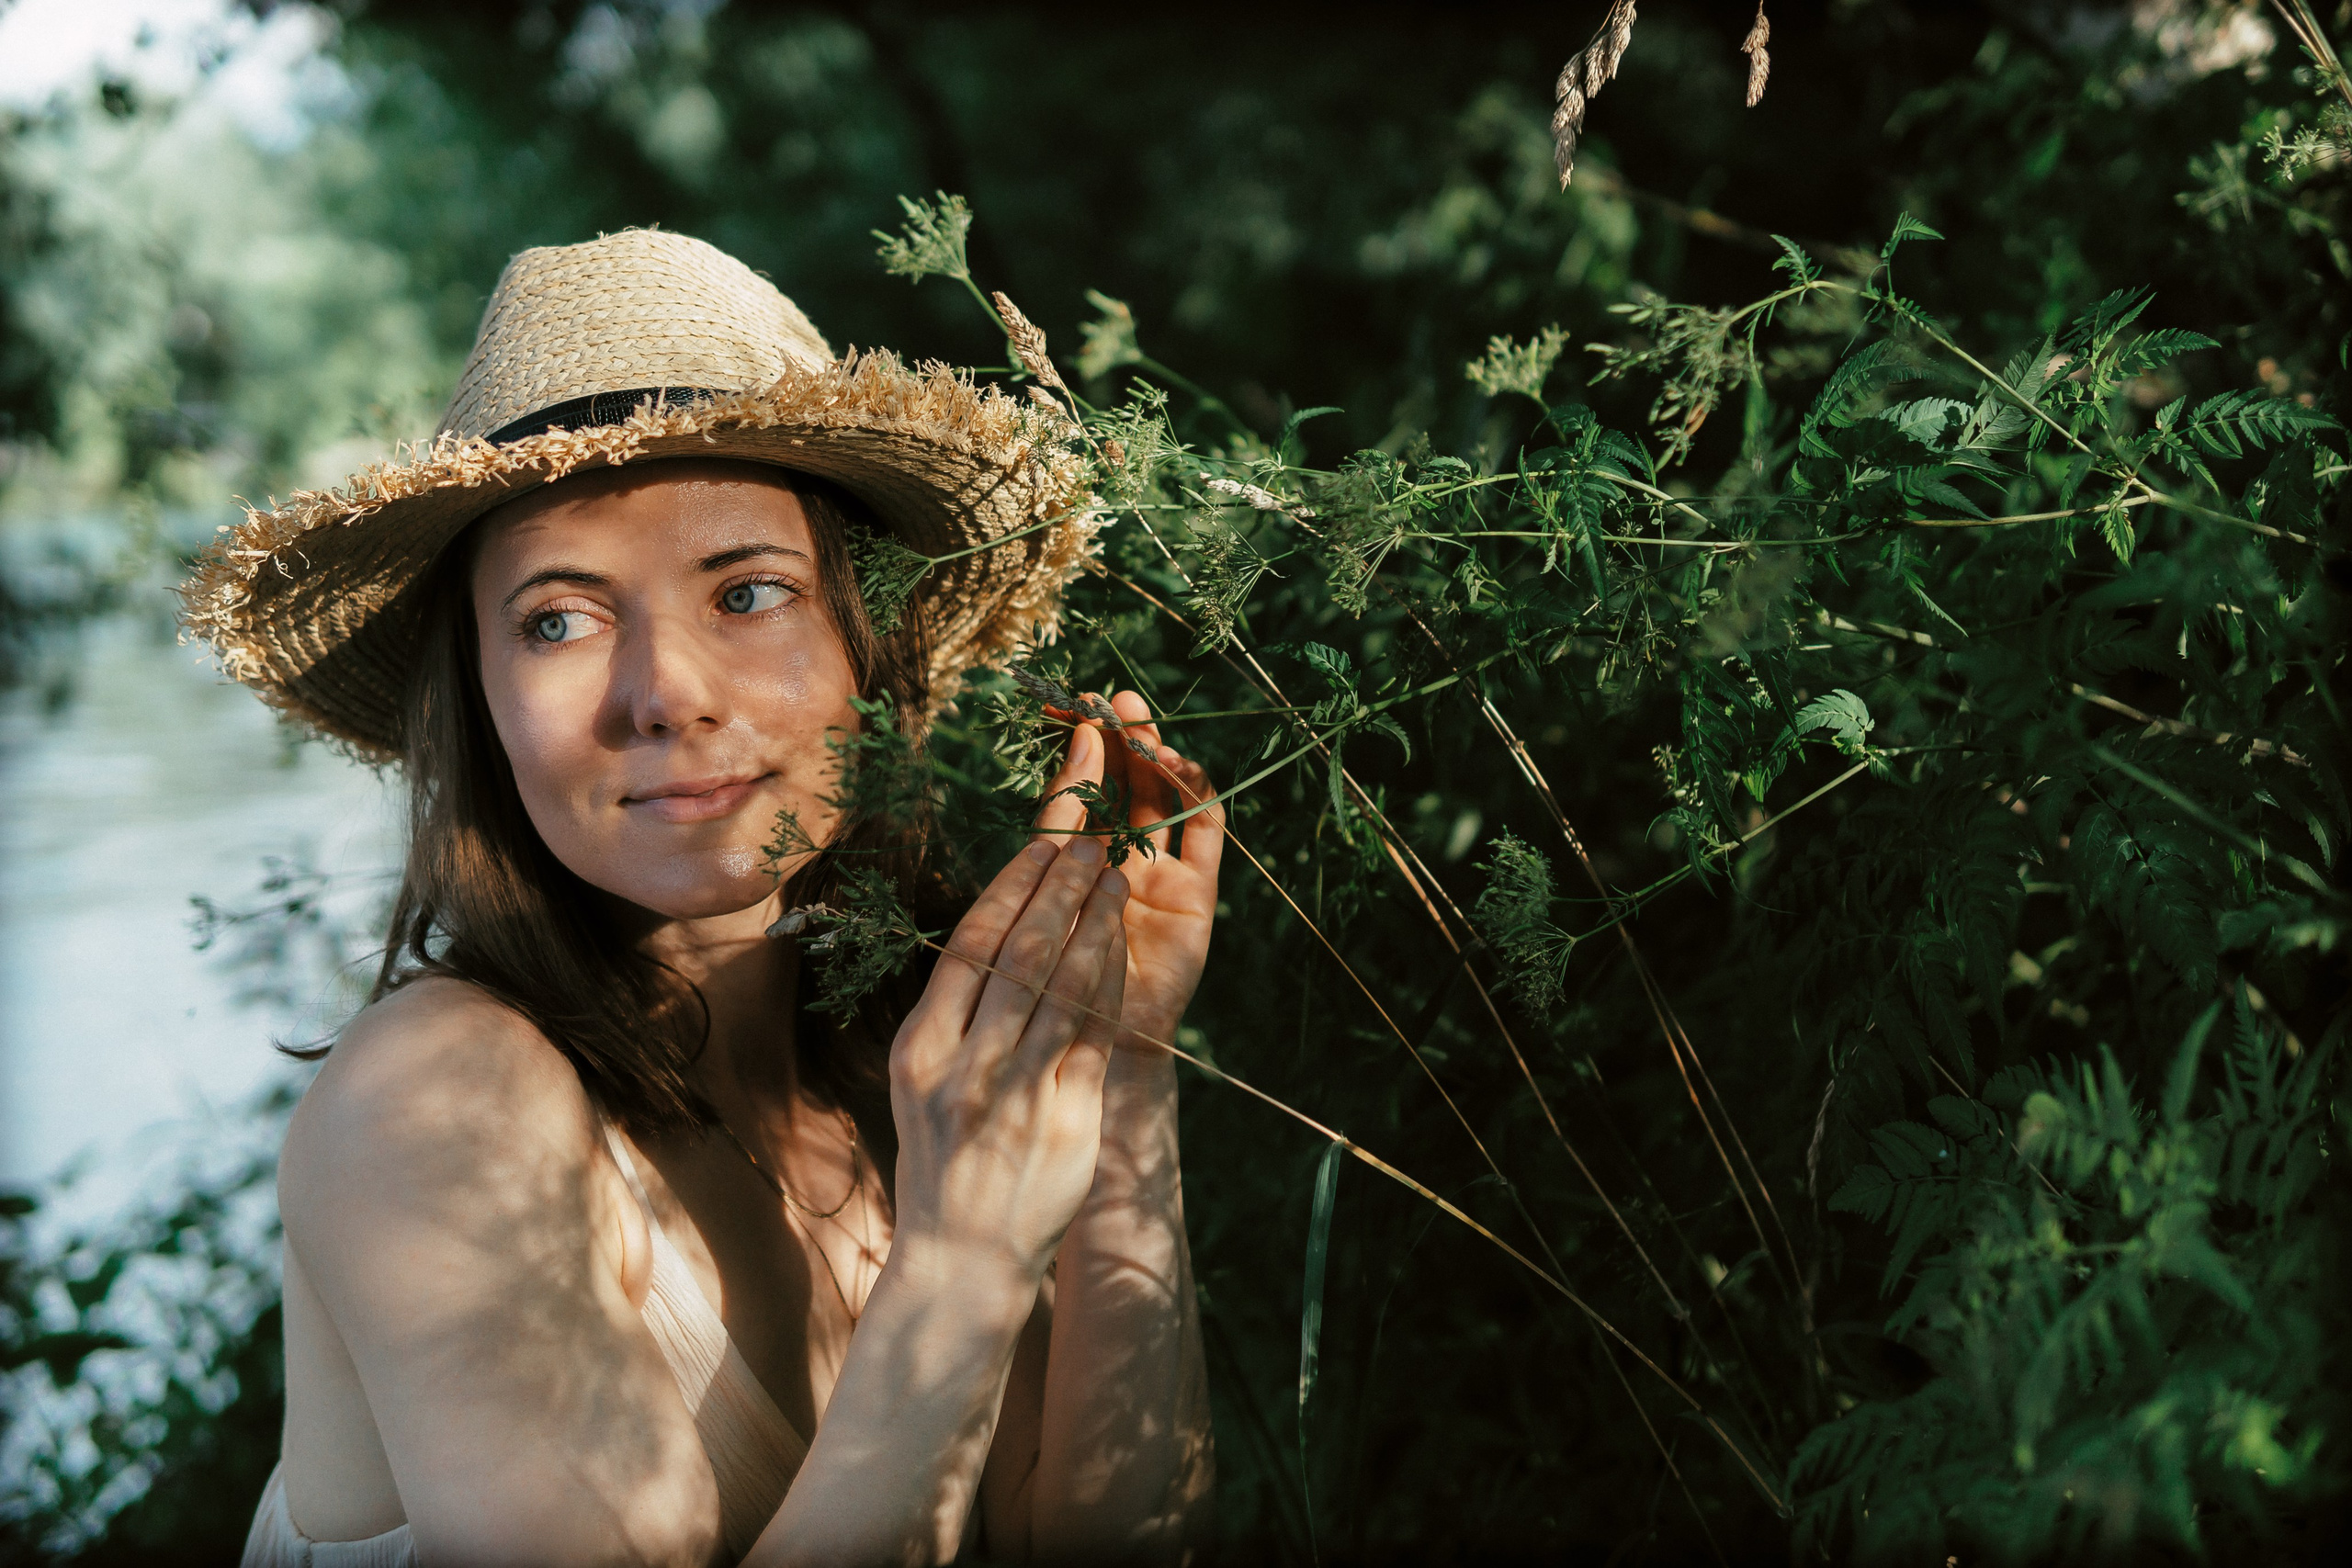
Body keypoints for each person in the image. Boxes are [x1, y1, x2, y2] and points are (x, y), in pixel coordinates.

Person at [182, 230, 1219, 1566]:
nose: (666, 690)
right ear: (480, 701)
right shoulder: (436, 1103)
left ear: (871, 645)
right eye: (558, 619)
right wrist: (961, 1262)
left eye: (748, 592)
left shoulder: (902, 1071)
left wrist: (1117, 1063)